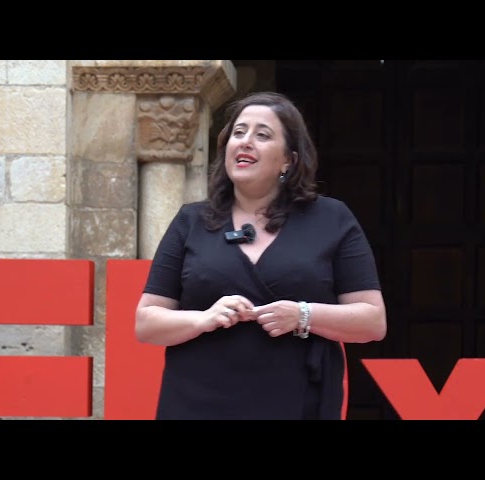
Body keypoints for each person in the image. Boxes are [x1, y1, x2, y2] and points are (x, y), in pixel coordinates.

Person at [135, 91, 387, 420]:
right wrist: (204, 318)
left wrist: (303, 314)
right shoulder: (191, 220)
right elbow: (146, 323)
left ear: (289, 160)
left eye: (262, 135)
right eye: (238, 133)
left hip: (296, 400)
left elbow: (372, 321)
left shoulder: (332, 219)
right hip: (197, 401)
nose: (245, 142)